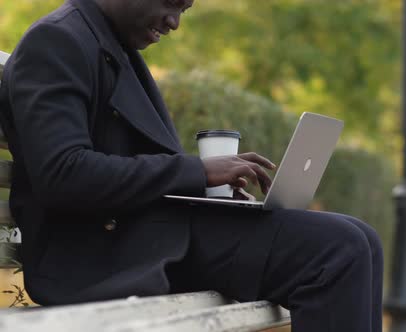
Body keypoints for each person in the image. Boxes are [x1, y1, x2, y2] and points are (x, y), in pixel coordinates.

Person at [0, 0, 384, 331]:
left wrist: (209, 191)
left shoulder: (106, 42)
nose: (174, 22)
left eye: (183, 9)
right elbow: (63, 174)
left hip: (148, 234)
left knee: (363, 238)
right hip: (99, 253)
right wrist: (198, 172)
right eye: (170, 3)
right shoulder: (56, 41)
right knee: (338, 249)